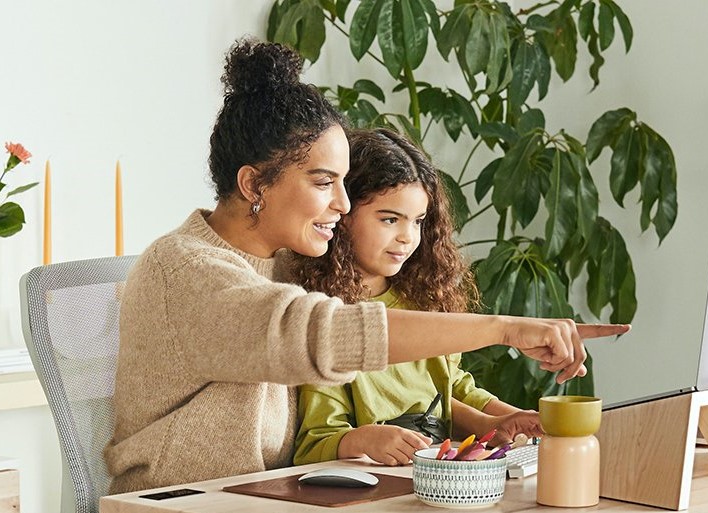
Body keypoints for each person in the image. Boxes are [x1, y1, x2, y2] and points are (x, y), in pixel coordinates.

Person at [104, 38, 629, 494]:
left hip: (267, 493)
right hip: (183, 500)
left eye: (343, 183)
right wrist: (507, 328)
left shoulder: (283, 264)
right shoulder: (186, 271)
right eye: (322, 182)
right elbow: (324, 333)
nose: (342, 204)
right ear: (253, 184)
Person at [292, 128, 543, 466]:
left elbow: (452, 389)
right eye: (390, 219)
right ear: (344, 215)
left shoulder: (421, 300)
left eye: (418, 222)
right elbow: (315, 443)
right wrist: (364, 438)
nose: (407, 238)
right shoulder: (329, 318)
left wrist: (502, 420)